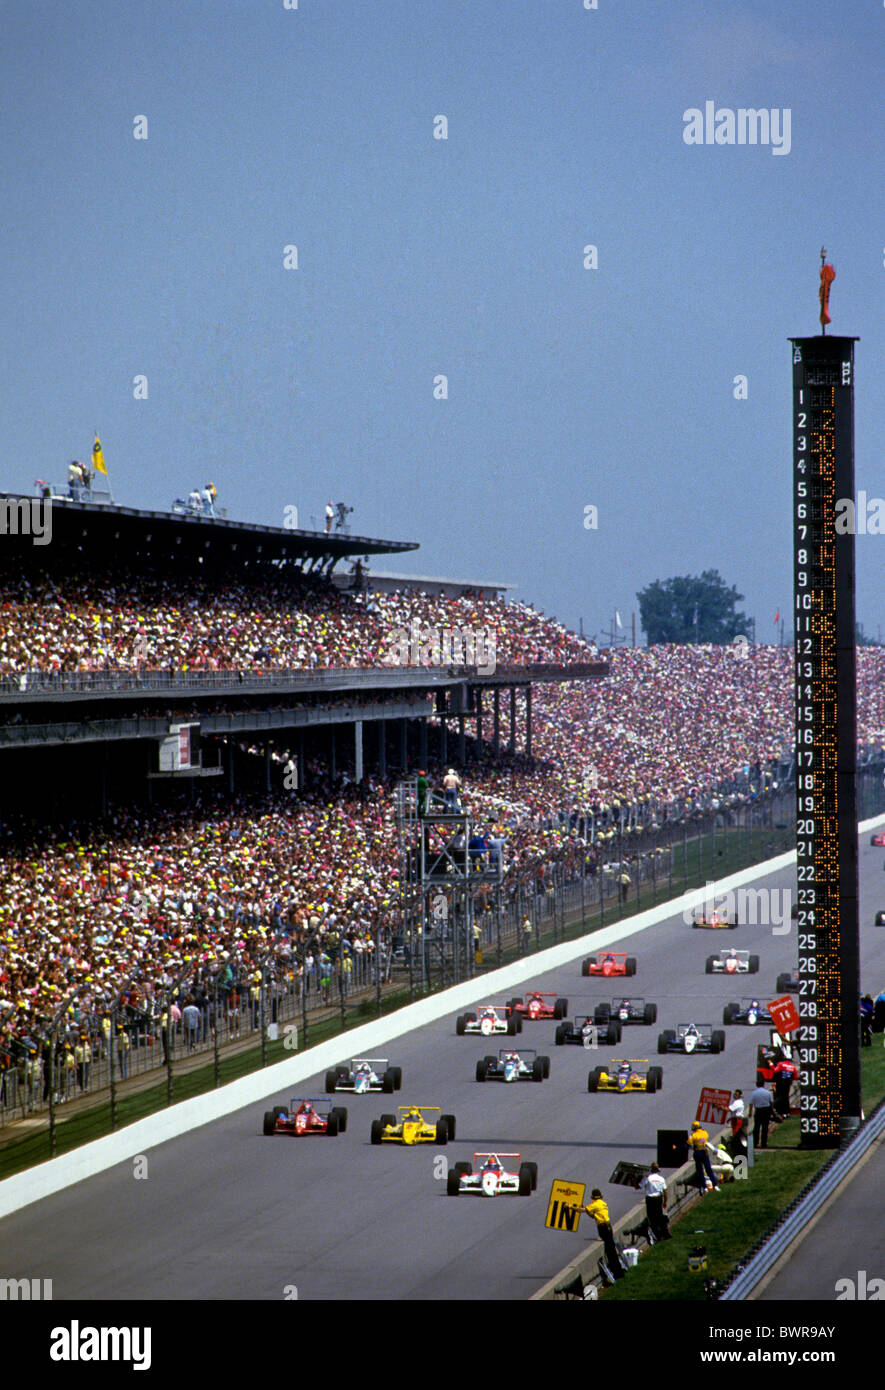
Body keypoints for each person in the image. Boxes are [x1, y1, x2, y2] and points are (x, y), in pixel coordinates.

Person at [573, 1189, 624, 1280]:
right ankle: (617, 1270)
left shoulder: (595, 1204)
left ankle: (617, 1273)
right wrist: (587, 1210)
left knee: (610, 1251)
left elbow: (581, 1210)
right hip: (607, 1227)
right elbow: (593, 1215)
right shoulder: (602, 1203)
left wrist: (570, 1207)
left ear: (593, 1197)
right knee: (610, 1249)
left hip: (603, 1227)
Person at [639, 1162, 670, 1240]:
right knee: (659, 1216)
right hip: (658, 1199)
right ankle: (665, 1233)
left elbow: (638, 1186)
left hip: (650, 1199)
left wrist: (635, 1180)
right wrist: (665, 1201)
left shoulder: (647, 1178)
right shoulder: (661, 1179)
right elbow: (665, 1191)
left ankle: (657, 1235)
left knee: (652, 1218)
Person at [688, 1121, 719, 1194]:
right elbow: (704, 1140)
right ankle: (715, 1185)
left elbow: (689, 1143)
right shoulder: (705, 1133)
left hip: (698, 1152)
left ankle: (704, 1187)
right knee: (709, 1169)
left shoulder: (693, 1135)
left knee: (700, 1171)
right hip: (705, 1152)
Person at [748, 1080, 774, 1149]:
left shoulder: (754, 1093)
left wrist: (750, 1113)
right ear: (763, 1084)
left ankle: (755, 1143)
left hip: (758, 1111)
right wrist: (772, 1111)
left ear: (756, 1085)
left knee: (756, 1127)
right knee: (765, 1127)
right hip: (766, 1110)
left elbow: (751, 1103)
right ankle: (764, 1143)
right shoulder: (767, 1092)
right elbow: (771, 1102)